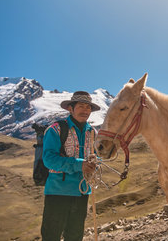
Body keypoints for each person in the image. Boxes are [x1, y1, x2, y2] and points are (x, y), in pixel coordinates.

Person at [41, 91, 100, 241]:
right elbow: (48, 159)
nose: (85, 110)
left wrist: (95, 163)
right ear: (70, 108)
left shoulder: (93, 133)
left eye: (88, 107)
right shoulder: (56, 129)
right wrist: (79, 164)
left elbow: (97, 157)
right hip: (58, 192)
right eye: (81, 106)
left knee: (75, 236)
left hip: (82, 193)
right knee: (51, 236)